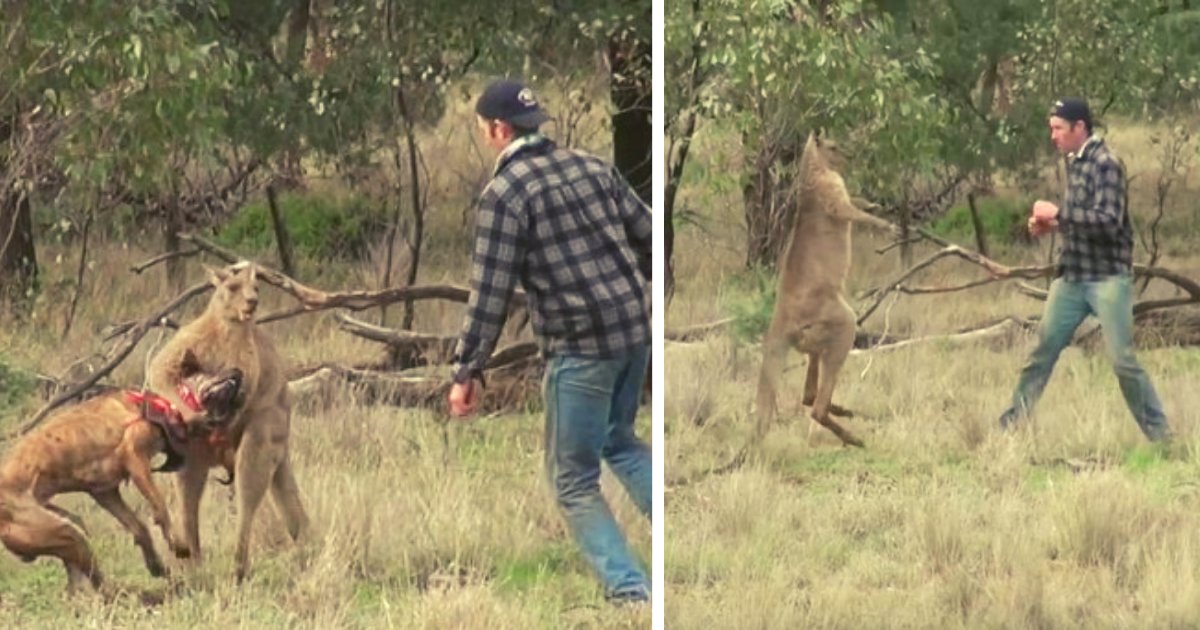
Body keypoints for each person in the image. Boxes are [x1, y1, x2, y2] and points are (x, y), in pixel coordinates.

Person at [446, 78, 653, 603]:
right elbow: (650, 233)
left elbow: (489, 294)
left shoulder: (505, 194)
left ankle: (631, 593)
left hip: (581, 349)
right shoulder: (592, 166)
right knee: (619, 440)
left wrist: (465, 370)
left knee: (573, 481)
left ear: (497, 129)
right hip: (633, 332)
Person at [998, 97, 1170, 442]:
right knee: (1042, 352)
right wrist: (1052, 226)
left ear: (1080, 128)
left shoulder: (1106, 163)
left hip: (1106, 278)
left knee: (1122, 361)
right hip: (1072, 277)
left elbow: (1107, 221)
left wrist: (1059, 215)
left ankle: (1161, 436)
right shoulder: (1075, 162)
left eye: (1058, 128)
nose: (1053, 136)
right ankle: (1011, 427)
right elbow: (1083, 220)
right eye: (1051, 128)